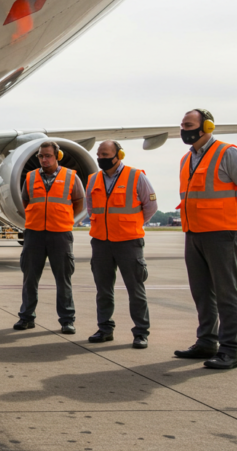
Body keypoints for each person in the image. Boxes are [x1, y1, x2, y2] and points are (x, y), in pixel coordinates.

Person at [174, 109, 237, 369]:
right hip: (195, 233)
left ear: (207, 127)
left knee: (226, 294)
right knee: (202, 292)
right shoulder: (186, 159)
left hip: (223, 232)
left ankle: (230, 350)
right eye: (182, 125)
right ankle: (207, 342)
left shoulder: (229, 153)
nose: (183, 130)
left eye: (188, 125)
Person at [85, 140, 158, 349]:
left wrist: (132, 224)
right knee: (103, 290)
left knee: (136, 289)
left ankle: (141, 332)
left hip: (129, 242)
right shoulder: (93, 179)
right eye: (99, 154)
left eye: (106, 154)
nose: (101, 158)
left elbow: (151, 205)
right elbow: (91, 208)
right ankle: (105, 329)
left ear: (119, 155)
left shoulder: (136, 176)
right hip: (101, 242)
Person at [15, 141, 85, 334]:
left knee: (63, 279)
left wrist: (66, 220)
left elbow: (79, 202)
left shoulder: (71, 177)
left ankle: (67, 320)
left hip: (60, 234)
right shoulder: (29, 177)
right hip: (34, 233)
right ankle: (26, 317)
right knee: (30, 278)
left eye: (47, 156)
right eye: (40, 156)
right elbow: (25, 201)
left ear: (57, 157)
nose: (44, 159)